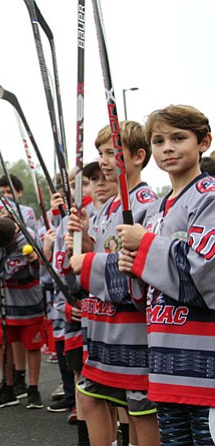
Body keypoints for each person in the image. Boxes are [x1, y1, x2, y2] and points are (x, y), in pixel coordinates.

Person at [116, 105, 214, 444]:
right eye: (158, 141)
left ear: (204, 142)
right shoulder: (157, 208)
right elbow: (145, 295)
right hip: (164, 362)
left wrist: (144, 248)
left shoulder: (210, 196)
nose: (167, 148)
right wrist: (132, 267)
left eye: (178, 138)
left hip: (205, 371)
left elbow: (207, 275)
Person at [69, 121, 161, 446]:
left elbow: (141, 268)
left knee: (140, 411)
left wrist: (88, 264)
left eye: (112, 153)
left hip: (132, 329)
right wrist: (80, 241)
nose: (104, 161)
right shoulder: (106, 205)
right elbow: (92, 256)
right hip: (101, 327)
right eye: (100, 153)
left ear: (138, 156)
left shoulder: (149, 202)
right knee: (91, 397)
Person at [0, 216, 45, 410]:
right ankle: (9, 385)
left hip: (28, 300)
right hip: (4, 300)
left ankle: (33, 388)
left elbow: (5, 270)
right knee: (5, 343)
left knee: (32, 345)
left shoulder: (27, 239)